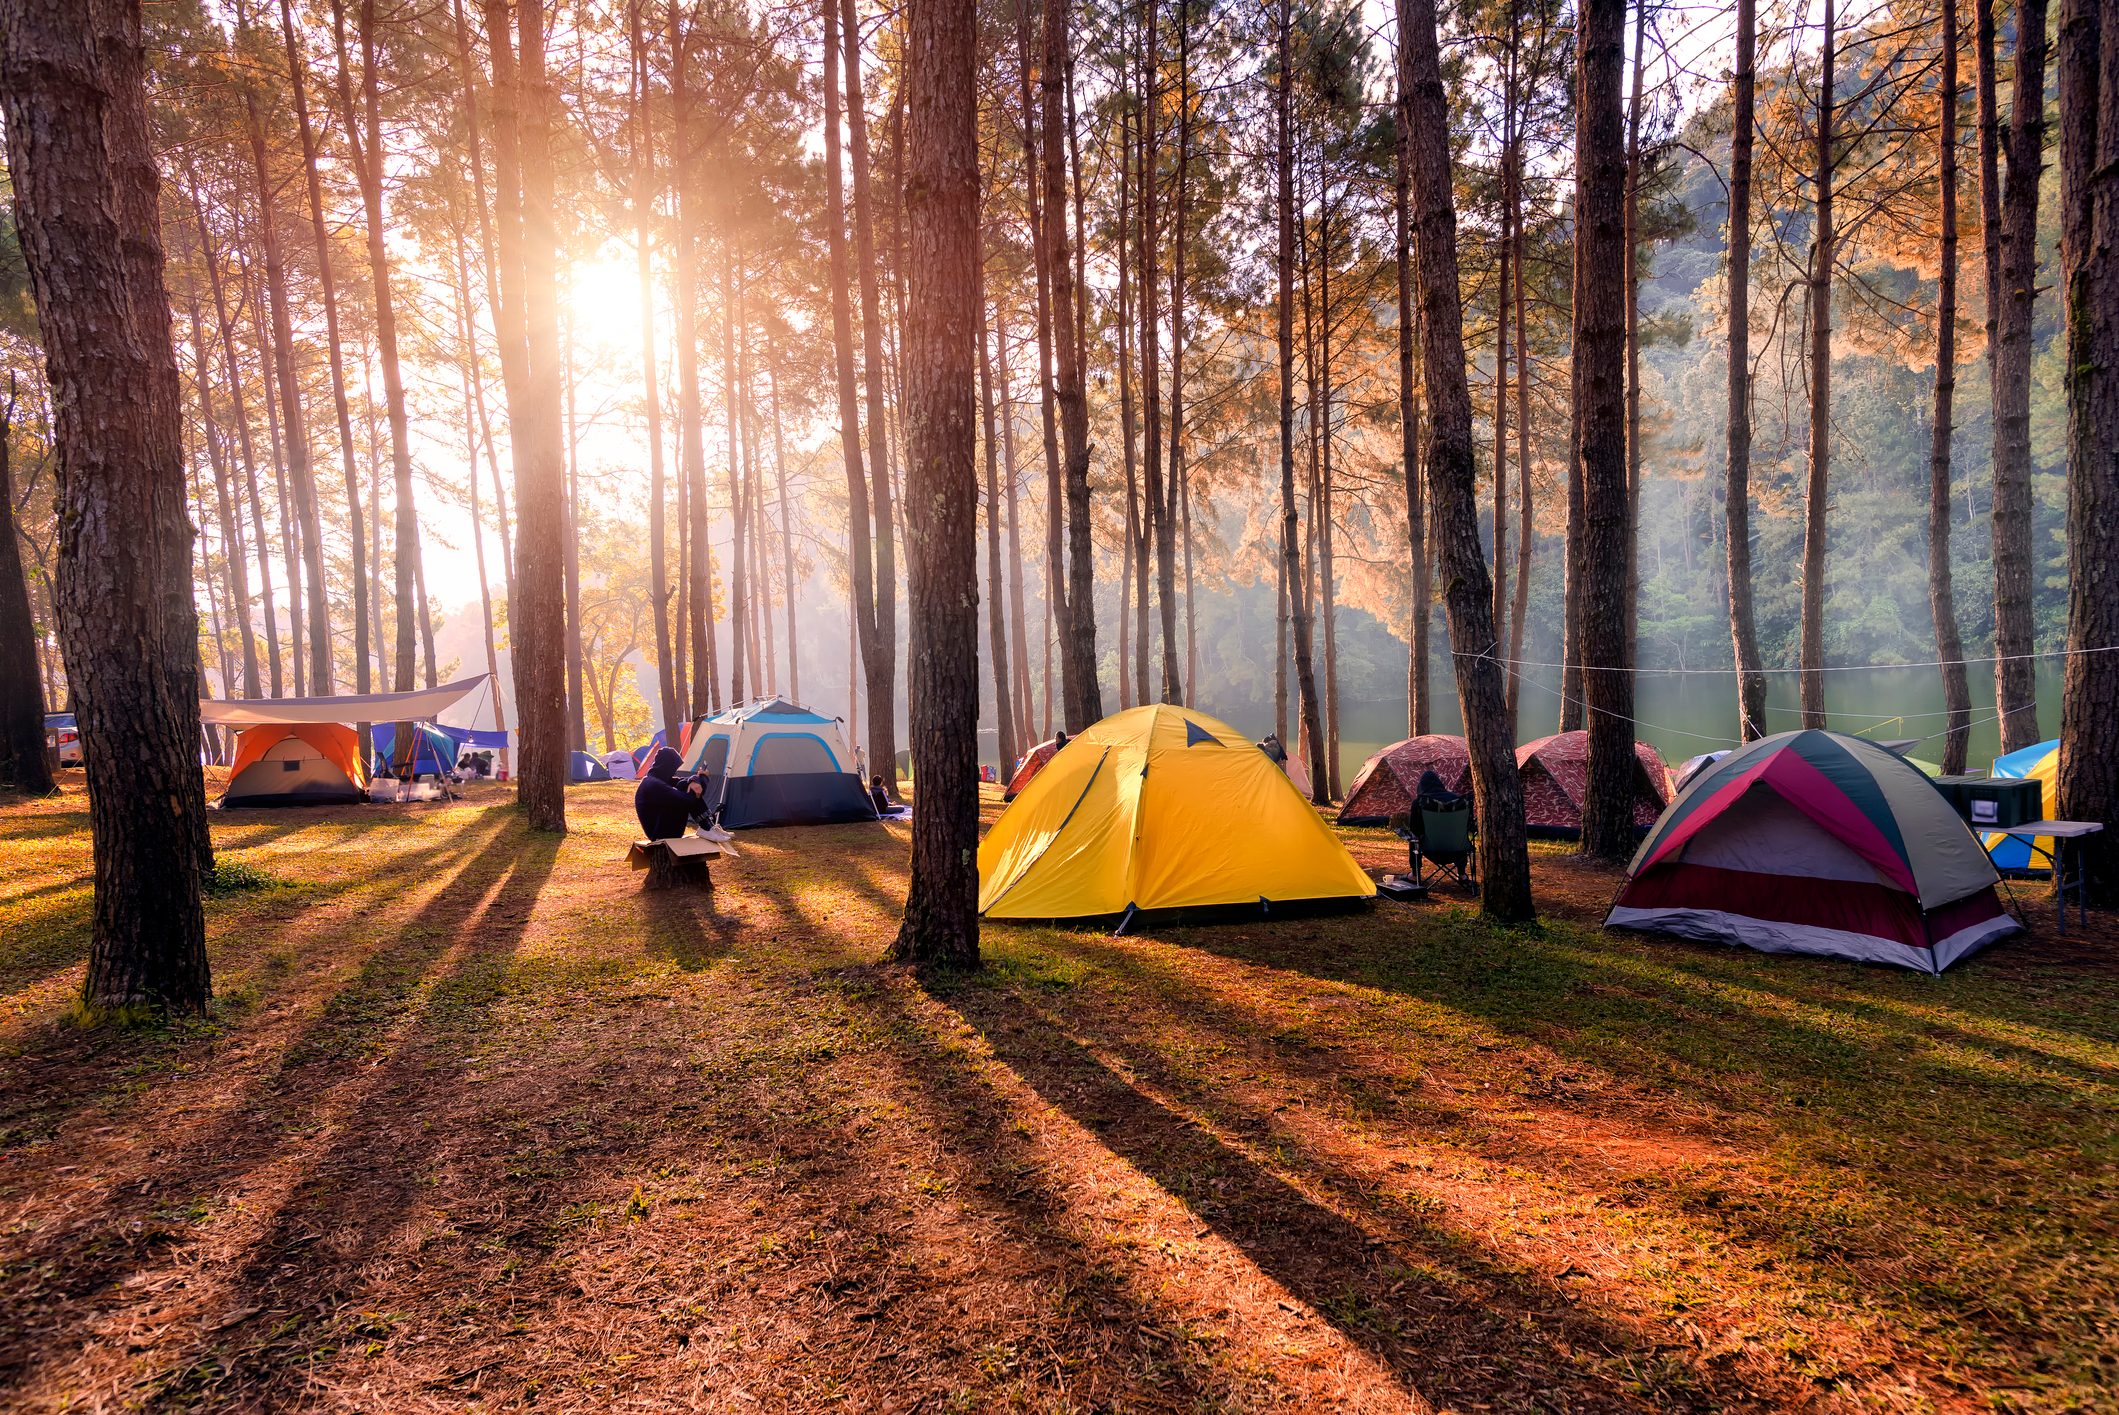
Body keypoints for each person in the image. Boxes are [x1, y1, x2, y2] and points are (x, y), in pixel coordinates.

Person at [635, 746, 708, 840]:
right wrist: (703, 778)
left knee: (684, 785)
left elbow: (693, 788)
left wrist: (695, 780)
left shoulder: (660, 779)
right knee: (685, 789)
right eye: (674, 768)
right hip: (659, 835)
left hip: (664, 829)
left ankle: (708, 827)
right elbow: (688, 800)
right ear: (666, 766)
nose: (674, 772)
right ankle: (707, 827)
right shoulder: (652, 784)